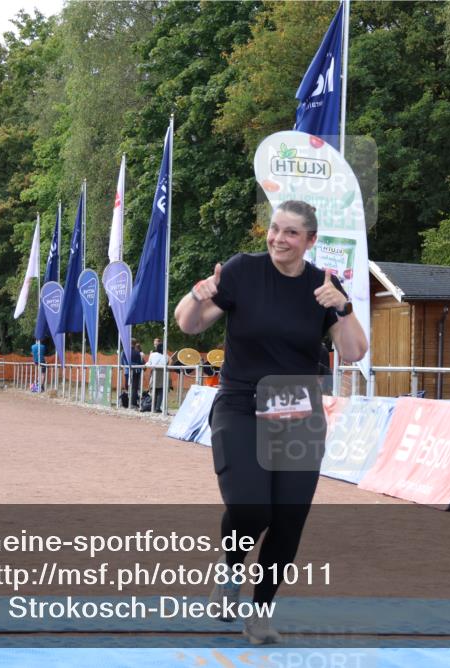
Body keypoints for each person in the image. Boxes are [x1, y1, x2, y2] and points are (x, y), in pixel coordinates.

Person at [174, 200, 368, 645]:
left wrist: (343, 307)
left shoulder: (324, 286)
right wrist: (197, 294)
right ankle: (229, 572)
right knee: (250, 508)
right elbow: (190, 324)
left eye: (292, 233)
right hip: (241, 403)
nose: (279, 238)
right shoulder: (243, 270)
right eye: (275, 229)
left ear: (310, 241)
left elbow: (354, 351)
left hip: (297, 410)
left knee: (288, 518)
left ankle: (260, 613)